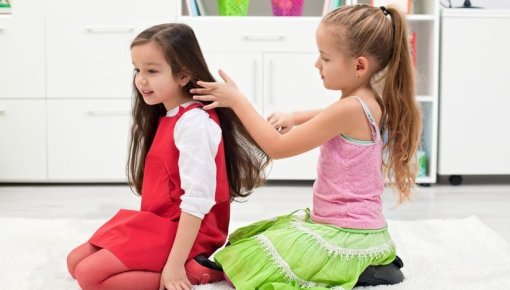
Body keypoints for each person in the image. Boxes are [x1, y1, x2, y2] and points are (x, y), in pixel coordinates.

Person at [191, 4, 421, 290]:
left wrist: (237, 100)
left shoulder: (350, 108)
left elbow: (277, 147)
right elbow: (329, 116)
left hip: (345, 232)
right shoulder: (366, 100)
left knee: (251, 256)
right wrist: (296, 116)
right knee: (252, 240)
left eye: (325, 58)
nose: (317, 64)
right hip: (355, 227)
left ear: (359, 66)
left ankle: (355, 267)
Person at [66, 23, 270, 290]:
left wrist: (174, 266)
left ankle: (196, 271)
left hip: (188, 232)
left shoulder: (194, 123)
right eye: (137, 69)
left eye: (152, 71)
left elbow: (198, 201)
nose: (141, 79)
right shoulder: (168, 114)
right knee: (75, 263)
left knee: (91, 277)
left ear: (183, 75)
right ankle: (170, 263)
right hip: (159, 224)